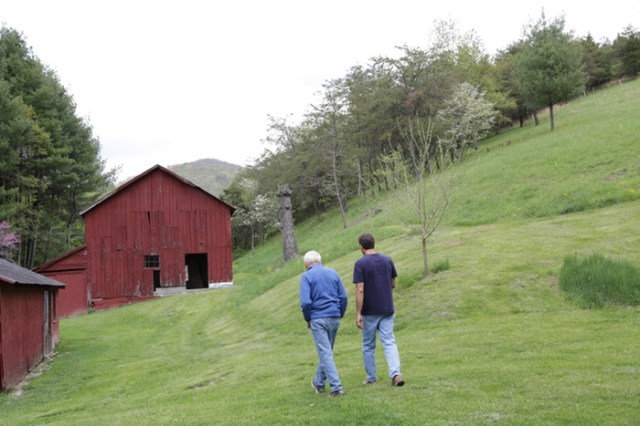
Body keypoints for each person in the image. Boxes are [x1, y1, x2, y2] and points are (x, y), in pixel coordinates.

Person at [353, 232, 405, 387]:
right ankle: (395, 373)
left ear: (361, 247)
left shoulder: (360, 264)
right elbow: (393, 283)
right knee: (389, 341)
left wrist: (358, 312)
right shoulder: (387, 260)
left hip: (370, 310)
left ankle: (371, 376)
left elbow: (360, 289)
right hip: (387, 307)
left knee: (368, 344)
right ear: (374, 244)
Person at [300, 250, 348, 397]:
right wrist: (340, 313)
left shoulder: (306, 276)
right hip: (334, 316)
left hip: (318, 318)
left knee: (325, 353)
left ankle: (336, 387)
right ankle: (319, 382)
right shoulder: (333, 273)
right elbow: (343, 297)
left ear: (307, 264)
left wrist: (308, 319)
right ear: (319, 261)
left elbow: (306, 302)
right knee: (327, 352)